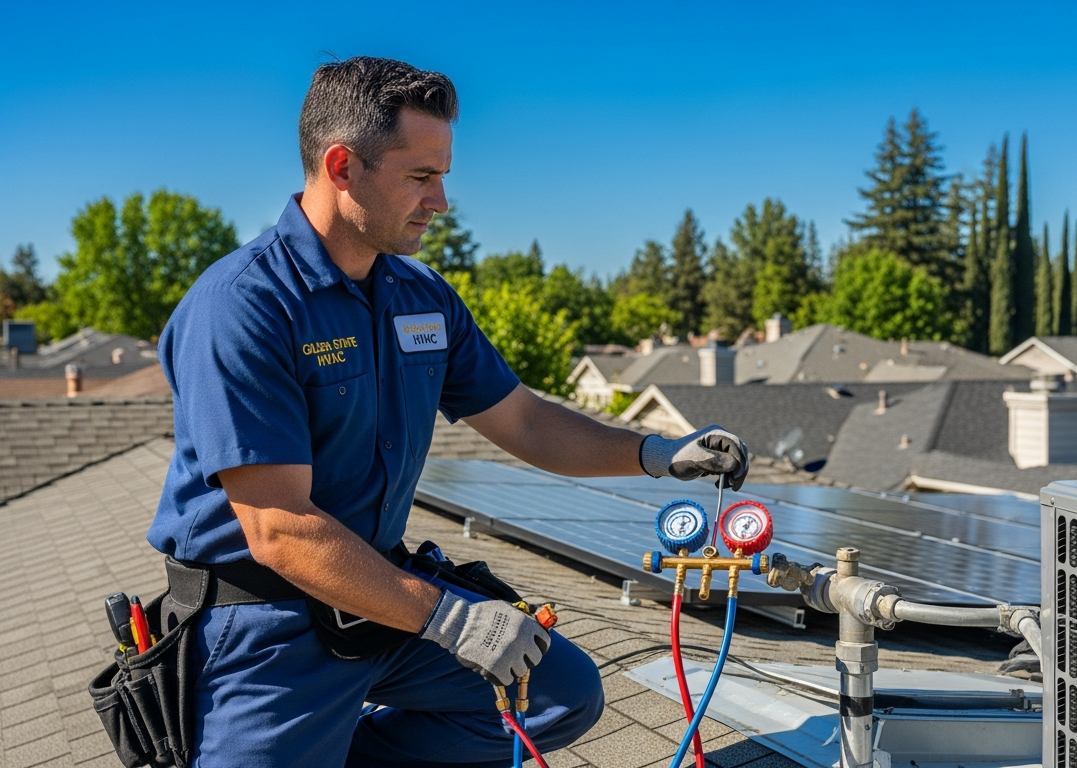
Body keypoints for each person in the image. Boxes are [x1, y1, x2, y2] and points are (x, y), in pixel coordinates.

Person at [147, 56, 750, 767]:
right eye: (420, 177)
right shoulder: (244, 306)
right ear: (342, 167)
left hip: (381, 599)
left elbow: (523, 420)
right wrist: (451, 619)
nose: (440, 202)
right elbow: (279, 528)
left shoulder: (419, 296)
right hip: (265, 625)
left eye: (443, 176)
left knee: (559, 692)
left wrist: (653, 454)